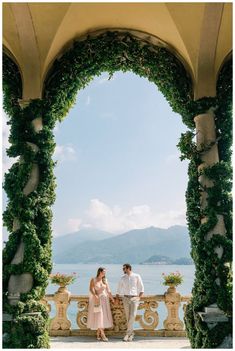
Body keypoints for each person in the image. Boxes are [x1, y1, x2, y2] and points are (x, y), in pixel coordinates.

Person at [116, 263, 144, 342]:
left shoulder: (136, 276)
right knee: (128, 316)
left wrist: (139, 297)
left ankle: (128, 333)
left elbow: (141, 288)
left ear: (128, 268)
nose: (123, 270)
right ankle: (130, 334)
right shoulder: (122, 278)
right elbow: (118, 288)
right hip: (125, 298)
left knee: (133, 316)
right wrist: (117, 298)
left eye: (124, 268)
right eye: (123, 268)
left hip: (134, 298)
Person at [87, 267, 114, 341]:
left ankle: (98, 333)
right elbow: (91, 288)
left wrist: (113, 299)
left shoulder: (105, 280)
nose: (105, 273)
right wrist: (95, 295)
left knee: (103, 317)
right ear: (99, 272)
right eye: (103, 272)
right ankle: (103, 334)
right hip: (97, 300)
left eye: (105, 272)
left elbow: (108, 291)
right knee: (99, 315)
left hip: (105, 301)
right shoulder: (93, 279)